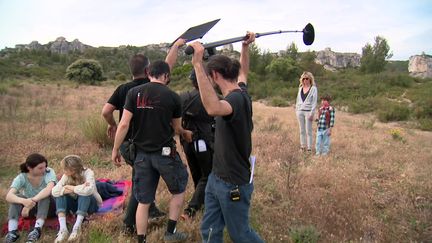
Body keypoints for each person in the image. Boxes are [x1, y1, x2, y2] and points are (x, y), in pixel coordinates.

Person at [102, 39, 184, 233]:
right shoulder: (164, 91)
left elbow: (110, 114)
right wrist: (176, 47)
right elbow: (168, 65)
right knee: (149, 187)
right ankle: (132, 225)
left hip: (132, 146)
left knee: (143, 185)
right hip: (155, 148)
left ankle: (143, 223)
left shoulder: (126, 90)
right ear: (149, 71)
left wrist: (112, 130)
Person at [189, 32, 264, 243]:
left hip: (233, 183)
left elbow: (213, 107)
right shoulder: (240, 90)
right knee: (210, 230)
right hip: (216, 177)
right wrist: (245, 48)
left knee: (241, 234)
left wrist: (197, 64)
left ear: (214, 76)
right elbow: (244, 73)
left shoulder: (236, 100)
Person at [111, 60, 193, 243]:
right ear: (166, 76)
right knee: (179, 190)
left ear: (149, 73)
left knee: (144, 200)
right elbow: (177, 128)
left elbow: (124, 124)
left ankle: (142, 240)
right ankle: (170, 233)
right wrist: (185, 133)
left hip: (141, 155)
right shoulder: (173, 97)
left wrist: (115, 149)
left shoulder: (133, 93)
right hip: (165, 154)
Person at [101, 54, 164, 234]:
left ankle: (150, 209)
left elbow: (106, 111)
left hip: (126, 144)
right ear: (147, 70)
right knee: (142, 180)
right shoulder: (154, 87)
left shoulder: (123, 88)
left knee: (143, 177)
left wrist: (112, 124)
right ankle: (129, 224)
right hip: (144, 144)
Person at [179, 70, 215, 219]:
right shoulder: (212, 99)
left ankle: (201, 200)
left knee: (196, 173)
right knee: (208, 174)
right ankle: (191, 209)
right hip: (203, 142)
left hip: (186, 140)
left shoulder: (183, 97)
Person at [4, 153, 57, 243]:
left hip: (50, 207)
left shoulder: (49, 172)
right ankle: (12, 231)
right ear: (29, 168)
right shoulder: (22, 177)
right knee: (16, 197)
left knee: (44, 196)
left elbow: (48, 190)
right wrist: (24, 201)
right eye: (40, 168)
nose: (44, 170)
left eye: (45, 166)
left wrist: (30, 203)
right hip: (31, 209)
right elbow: (9, 196)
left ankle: (37, 230)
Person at [52, 155, 102, 242]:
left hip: (90, 205)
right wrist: (80, 187)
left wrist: (70, 187)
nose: (63, 171)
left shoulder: (88, 173)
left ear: (72, 169)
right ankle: (63, 230)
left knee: (84, 194)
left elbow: (88, 191)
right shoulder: (66, 176)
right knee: (60, 195)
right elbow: (54, 191)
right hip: (74, 205)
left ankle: (77, 227)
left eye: (65, 169)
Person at [295, 71, 318, 152]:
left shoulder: (313, 89)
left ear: (310, 79)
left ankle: (309, 148)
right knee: (301, 130)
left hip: (308, 112)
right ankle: (302, 146)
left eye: (307, 78)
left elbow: (314, 102)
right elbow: (297, 100)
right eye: (304, 78)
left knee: (308, 130)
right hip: (300, 111)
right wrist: (296, 110)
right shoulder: (300, 88)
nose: (305, 80)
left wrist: (312, 113)